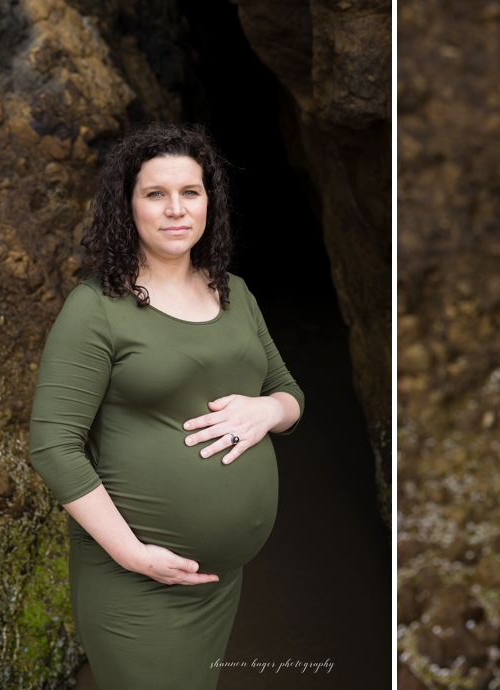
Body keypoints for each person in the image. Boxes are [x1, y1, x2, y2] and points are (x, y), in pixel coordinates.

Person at [28, 123, 304, 688]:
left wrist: (267, 412)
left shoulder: (236, 291)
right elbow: (53, 446)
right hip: (135, 579)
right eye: (155, 194)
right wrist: (132, 555)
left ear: (210, 203)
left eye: (190, 192)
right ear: (127, 207)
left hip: (219, 580)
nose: (175, 209)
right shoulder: (97, 308)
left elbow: (289, 392)